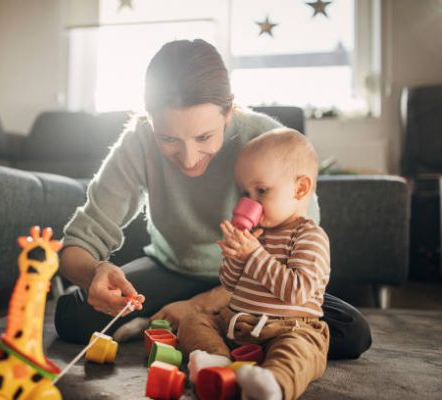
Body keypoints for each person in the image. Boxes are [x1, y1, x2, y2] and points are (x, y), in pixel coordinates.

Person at [55, 38, 371, 360]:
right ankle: (224, 330)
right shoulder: (138, 143)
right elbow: (79, 241)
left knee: (350, 330)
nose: (190, 159)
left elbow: (301, 245)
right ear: (149, 119)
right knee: (73, 316)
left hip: (254, 280)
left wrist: (199, 305)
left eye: (204, 137)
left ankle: (199, 323)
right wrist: (95, 271)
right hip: (173, 269)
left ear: (229, 109)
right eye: (168, 139)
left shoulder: (266, 143)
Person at [178, 128, 330, 400]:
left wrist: (253, 255)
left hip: (288, 327)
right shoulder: (258, 235)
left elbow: (296, 291)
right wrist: (234, 258)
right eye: (245, 192)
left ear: (300, 188)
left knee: (301, 352)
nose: (251, 202)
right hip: (237, 323)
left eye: (261, 190)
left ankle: (273, 385)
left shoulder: (309, 236)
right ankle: (217, 361)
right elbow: (230, 284)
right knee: (193, 321)